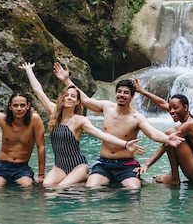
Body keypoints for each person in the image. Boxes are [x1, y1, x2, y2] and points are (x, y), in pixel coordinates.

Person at [53, 62, 185, 190]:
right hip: (104, 163)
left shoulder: (137, 117)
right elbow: (85, 100)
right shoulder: (106, 107)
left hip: (126, 165)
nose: (121, 95)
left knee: (133, 188)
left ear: (132, 96)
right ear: (115, 93)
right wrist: (66, 80)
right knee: (91, 187)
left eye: (126, 93)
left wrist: (167, 139)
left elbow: (152, 133)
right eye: (119, 92)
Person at [20, 62, 145, 188]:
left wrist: (124, 144)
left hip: (78, 166)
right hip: (59, 166)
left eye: (73, 96)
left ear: (77, 102)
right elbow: (38, 91)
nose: (69, 98)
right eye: (66, 96)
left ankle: (82, 186)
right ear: (62, 98)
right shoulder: (54, 113)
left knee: (60, 188)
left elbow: (101, 135)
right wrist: (29, 70)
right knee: (46, 186)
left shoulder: (80, 120)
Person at [133, 78, 193, 185]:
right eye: (170, 108)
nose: (171, 111)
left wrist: (147, 165)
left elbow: (166, 144)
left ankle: (174, 177)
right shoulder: (186, 116)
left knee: (171, 135)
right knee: (172, 136)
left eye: (175, 108)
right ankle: (173, 175)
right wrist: (143, 91)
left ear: (185, 107)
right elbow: (162, 103)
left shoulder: (190, 125)